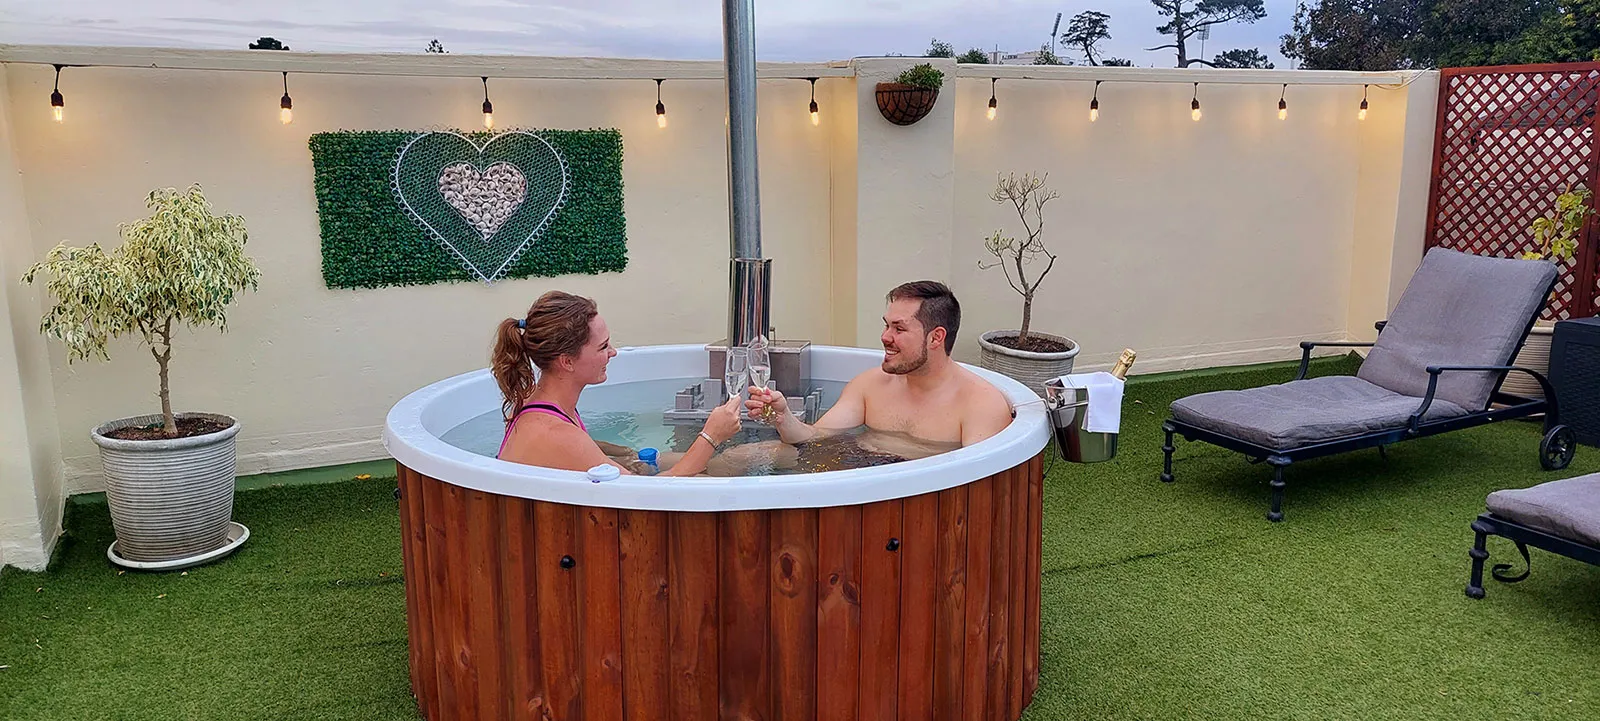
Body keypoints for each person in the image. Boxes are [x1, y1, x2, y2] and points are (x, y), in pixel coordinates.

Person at [743, 280, 1013, 468]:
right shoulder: (870, 385)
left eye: (899, 329)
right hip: (861, 478)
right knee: (739, 456)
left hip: (924, 510)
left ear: (936, 337)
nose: (885, 337)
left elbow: (974, 481)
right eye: (886, 326)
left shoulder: (980, 404)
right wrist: (783, 417)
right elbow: (814, 439)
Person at [492, 290, 742, 475]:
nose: (613, 353)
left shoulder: (536, 403)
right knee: (709, 476)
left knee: (721, 466)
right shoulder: (555, 433)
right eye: (603, 347)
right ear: (567, 361)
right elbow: (652, 495)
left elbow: (575, 453)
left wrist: (622, 453)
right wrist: (712, 434)